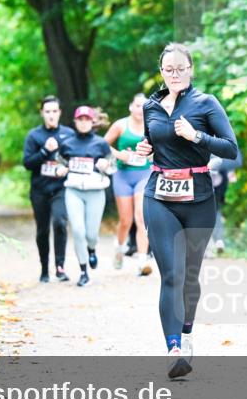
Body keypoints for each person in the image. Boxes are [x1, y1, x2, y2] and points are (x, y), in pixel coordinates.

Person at [136, 43, 238, 378]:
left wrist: (197, 136)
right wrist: (145, 147)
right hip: (160, 195)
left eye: (181, 68)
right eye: (169, 69)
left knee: (190, 276)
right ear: (161, 71)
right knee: (172, 275)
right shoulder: (152, 106)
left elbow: (231, 148)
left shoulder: (206, 103)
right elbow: (153, 143)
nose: (175, 73)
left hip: (199, 198)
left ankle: (188, 330)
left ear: (191, 69)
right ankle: (174, 348)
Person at [57, 106, 115, 287]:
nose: (83, 123)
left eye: (86, 119)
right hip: (73, 191)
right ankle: (83, 272)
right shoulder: (67, 143)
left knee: (91, 234)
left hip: (95, 192)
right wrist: (60, 170)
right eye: (79, 120)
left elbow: (113, 167)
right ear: (75, 122)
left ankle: (92, 249)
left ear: (92, 122)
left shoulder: (101, 144)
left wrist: (106, 165)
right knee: (77, 231)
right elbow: (59, 164)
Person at [23, 96, 75, 283]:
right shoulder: (34, 136)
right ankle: (44, 269)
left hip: (61, 188)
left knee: (60, 223)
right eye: (47, 112)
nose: (51, 115)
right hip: (39, 190)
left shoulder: (69, 134)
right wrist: (44, 151)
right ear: (42, 114)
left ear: (59, 113)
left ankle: (60, 267)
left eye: (54, 111)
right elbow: (27, 163)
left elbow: (74, 159)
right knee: (42, 230)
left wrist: (67, 167)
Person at [104, 93, 153, 276]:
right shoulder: (120, 125)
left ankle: (142, 262)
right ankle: (119, 247)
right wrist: (119, 155)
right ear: (131, 107)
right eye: (138, 105)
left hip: (144, 175)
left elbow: (161, 149)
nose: (141, 110)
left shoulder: (152, 125)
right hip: (123, 176)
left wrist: (150, 156)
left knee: (141, 217)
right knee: (126, 220)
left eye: (144, 106)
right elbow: (100, 145)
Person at [208, 150, 243, 255]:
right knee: (215, 210)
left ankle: (209, 246)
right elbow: (237, 160)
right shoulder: (225, 136)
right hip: (220, 179)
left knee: (207, 211)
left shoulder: (199, 136)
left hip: (207, 179)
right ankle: (218, 240)